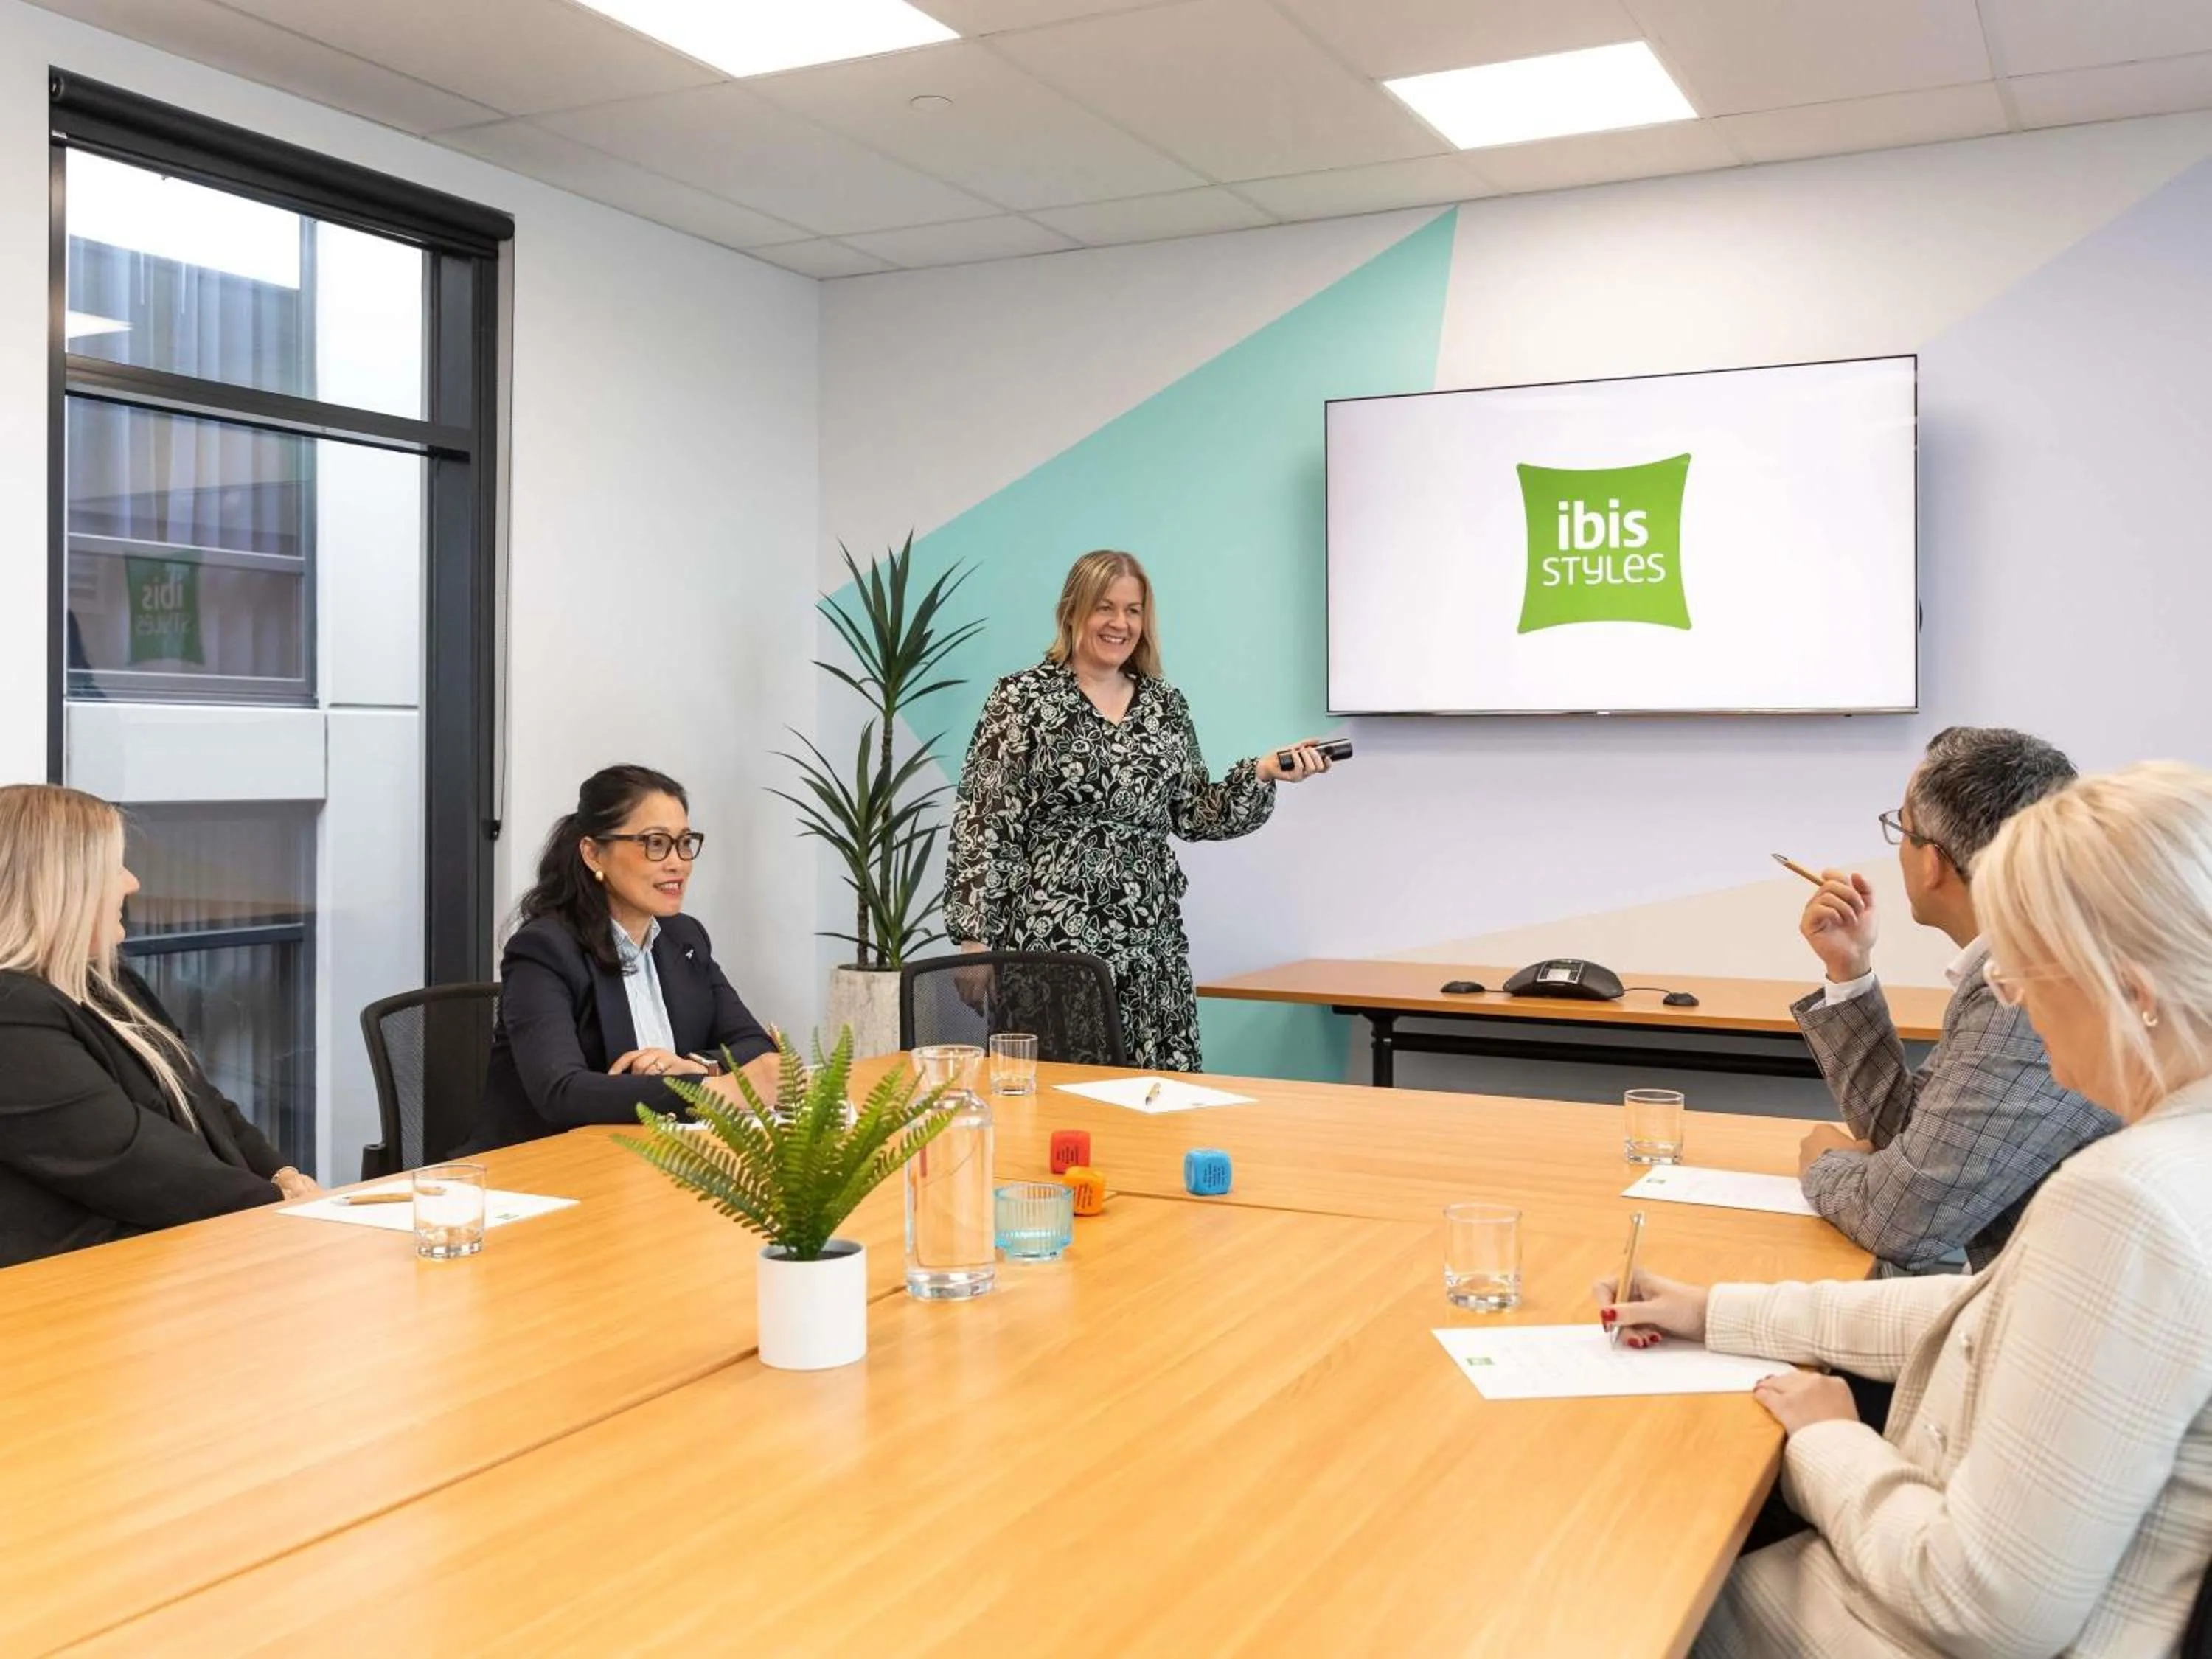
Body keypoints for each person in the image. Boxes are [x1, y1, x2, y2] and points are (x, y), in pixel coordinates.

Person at [1605, 762, 2212, 1658]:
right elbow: (1986, 1309)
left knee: (1622, 1576)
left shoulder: (2124, 1200)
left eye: (2026, 975)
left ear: (2133, 993)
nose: (2019, 1008)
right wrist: (1716, 1310)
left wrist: (1828, 1443)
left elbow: (1986, 1608)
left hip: (1895, 1630)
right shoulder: (2177, 1159)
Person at [945, 549, 1332, 1071]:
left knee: (1154, 1102)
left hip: (1149, 942)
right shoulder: (1021, 698)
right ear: (1073, 611)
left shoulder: (1165, 705)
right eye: (1106, 607)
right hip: (1052, 942)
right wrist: (975, 941)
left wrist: (1262, 772)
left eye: (1133, 610)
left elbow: (1194, 813)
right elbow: (983, 820)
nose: (1120, 623)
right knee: (1062, 1103)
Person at [1791, 726, 2117, 1274]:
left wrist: (1825, 1163)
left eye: (1902, 828)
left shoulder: (2034, 992)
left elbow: (1902, 1219)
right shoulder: (2029, 960)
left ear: (1932, 862)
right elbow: (1918, 1139)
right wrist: (1848, 969)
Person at [0, 783, 318, 1269]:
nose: (131, 883)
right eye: (113, 869)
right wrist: (276, 1207)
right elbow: (128, 1159)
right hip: (79, 1292)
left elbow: (202, 1099)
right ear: (58, 886)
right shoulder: (12, 1015)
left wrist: (283, 1171)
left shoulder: (107, 981)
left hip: (177, 1259)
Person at [470, 765, 782, 1152]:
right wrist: (714, 1090)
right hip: (548, 1171)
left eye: (685, 843)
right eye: (655, 843)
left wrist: (697, 1066)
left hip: (657, 1161)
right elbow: (562, 1092)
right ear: (593, 854)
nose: (678, 863)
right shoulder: (544, 950)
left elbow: (754, 1044)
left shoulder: (684, 938)